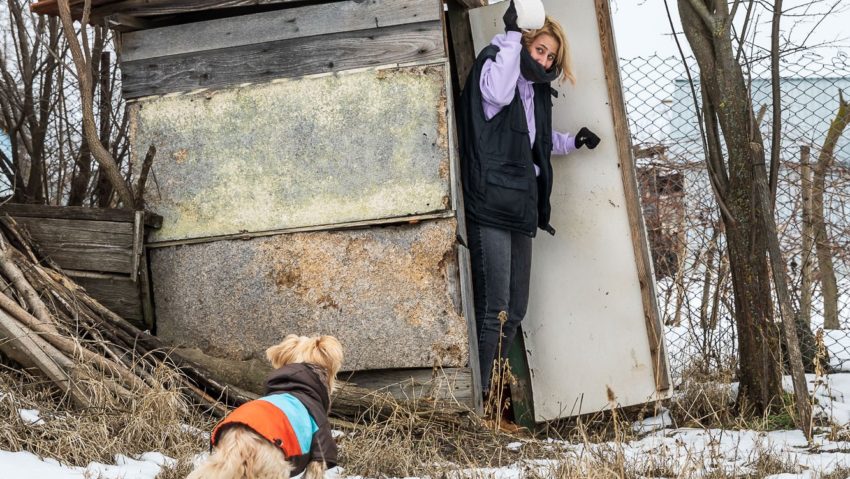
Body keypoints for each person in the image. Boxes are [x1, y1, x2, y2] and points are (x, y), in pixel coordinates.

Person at [457, 0, 601, 396]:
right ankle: (479, 399)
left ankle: (490, 398)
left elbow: (538, 139)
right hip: (490, 203)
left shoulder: (537, 90)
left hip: (521, 202)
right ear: (525, 41)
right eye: (540, 49)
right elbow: (498, 98)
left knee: (514, 312)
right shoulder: (494, 65)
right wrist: (510, 37)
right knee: (494, 310)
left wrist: (572, 141)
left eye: (551, 55)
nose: (545, 58)